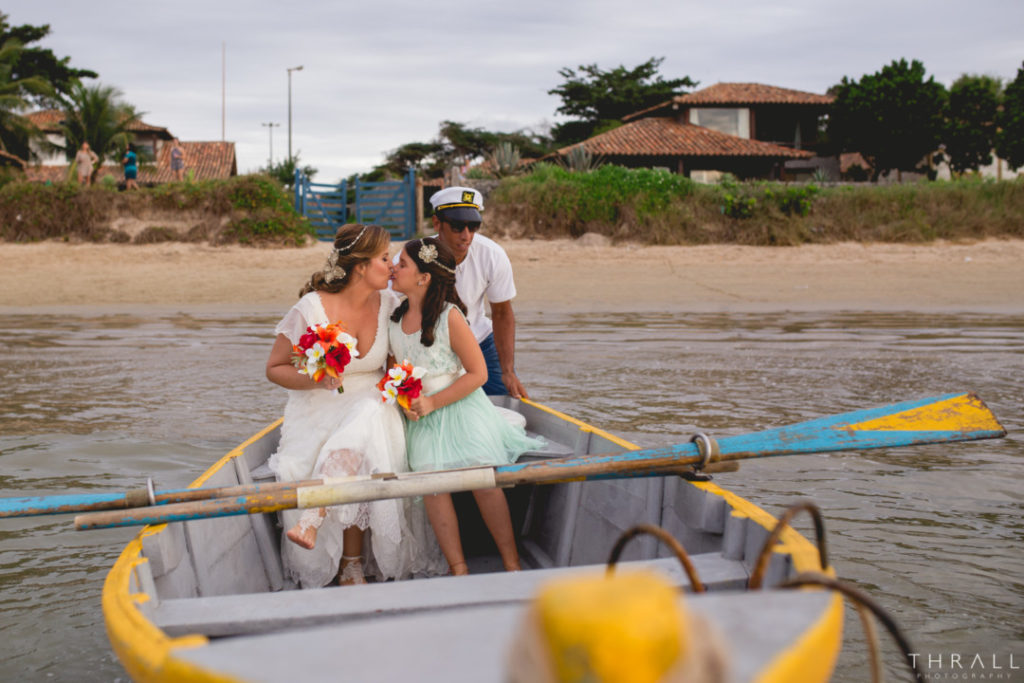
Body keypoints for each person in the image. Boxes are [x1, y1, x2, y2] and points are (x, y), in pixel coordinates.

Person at [266, 224, 441, 587]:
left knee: (370, 414)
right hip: (318, 406)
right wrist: (315, 378)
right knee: (366, 422)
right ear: (360, 266)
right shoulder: (310, 308)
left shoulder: (393, 305)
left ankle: (317, 521)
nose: (391, 265)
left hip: (371, 403)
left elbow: (398, 364)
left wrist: (409, 397)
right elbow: (275, 368)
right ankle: (350, 564)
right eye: (383, 258)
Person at [388, 237, 543, 575]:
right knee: (433, 487)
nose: (392, 269)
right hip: (422, 418)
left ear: (423, 277)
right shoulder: (394, 319)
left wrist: (431, 401)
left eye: (401, 264)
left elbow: (478, 374)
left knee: (481, 480)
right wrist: (405, 400)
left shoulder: (449, 316)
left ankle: (511, 562)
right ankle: (458, 568)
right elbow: (395, 370)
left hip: (459, 408)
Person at [428, 185, 528, 398]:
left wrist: (508, 371)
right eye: (457, 226)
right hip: (430, 346)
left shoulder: (492, 255)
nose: (466, 236)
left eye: (473, 226)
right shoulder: (413, 257)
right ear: (437, 223)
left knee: (506, 399)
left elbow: (502, 313)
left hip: (479, 341)